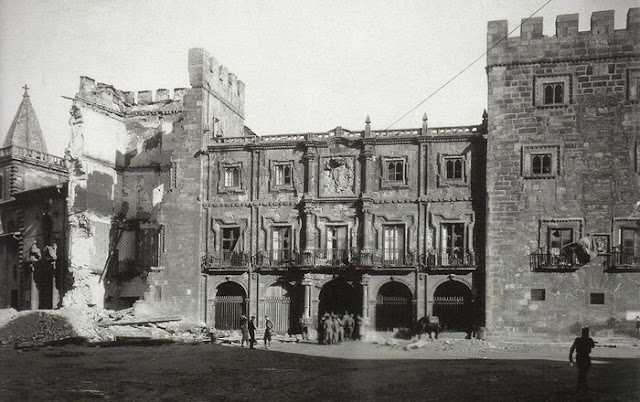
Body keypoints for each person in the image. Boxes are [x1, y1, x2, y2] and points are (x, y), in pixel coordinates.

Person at [569, 327, 596, 393]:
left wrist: (570, 357)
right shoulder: (588, 340)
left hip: (580, 357)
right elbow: (592, 345)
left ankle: (581, 388)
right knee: (582, 373)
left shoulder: (578, 340)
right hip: (584, 357)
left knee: (582, 373)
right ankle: (583, 388)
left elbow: (572, 348)